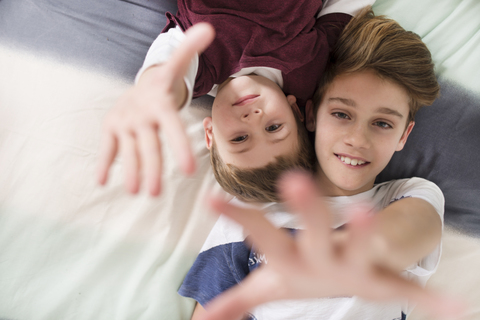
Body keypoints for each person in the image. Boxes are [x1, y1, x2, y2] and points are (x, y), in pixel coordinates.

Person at [178, 8, 459, 320]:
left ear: (404, 136)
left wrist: (344, 253)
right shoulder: (249, 216)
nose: (358, 139)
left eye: (382, 123)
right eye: (341, 114)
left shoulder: (410, 195)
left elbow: (409, 232)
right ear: (309, 115)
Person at [97, 0, 374, 201]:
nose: (253, 119)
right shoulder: (307, 72)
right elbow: (344, 10)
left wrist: (154, 90)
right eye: (274, 128)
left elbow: (174, 63)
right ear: (296, 111)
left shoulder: (203, 71)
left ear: (210, 133)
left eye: (239, 139)